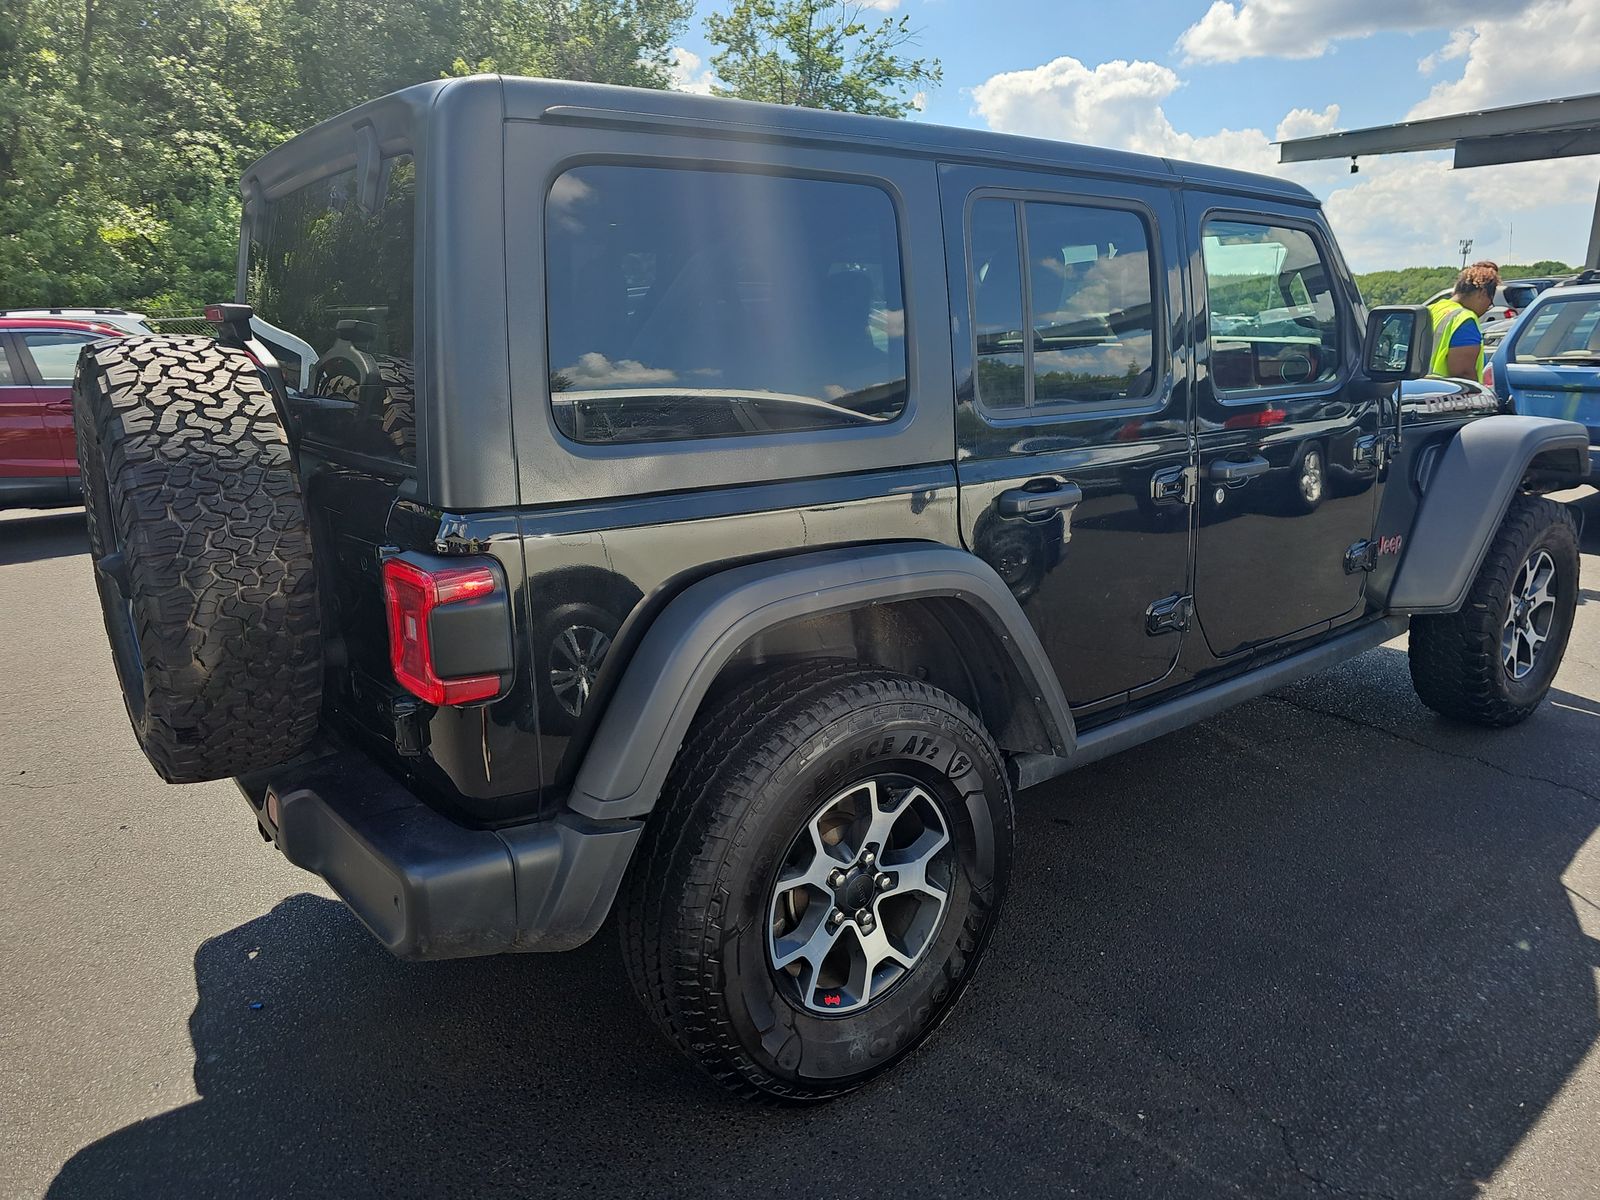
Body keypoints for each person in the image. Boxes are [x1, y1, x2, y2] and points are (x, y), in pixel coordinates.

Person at [1428, 260, 1500, 381]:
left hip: (1420, 392)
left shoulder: (1432, 309)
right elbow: (1463, 374)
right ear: (1482, 293)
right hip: (1449, 397)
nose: (1487, 308)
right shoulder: (1464, 320)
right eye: (1490, 303)